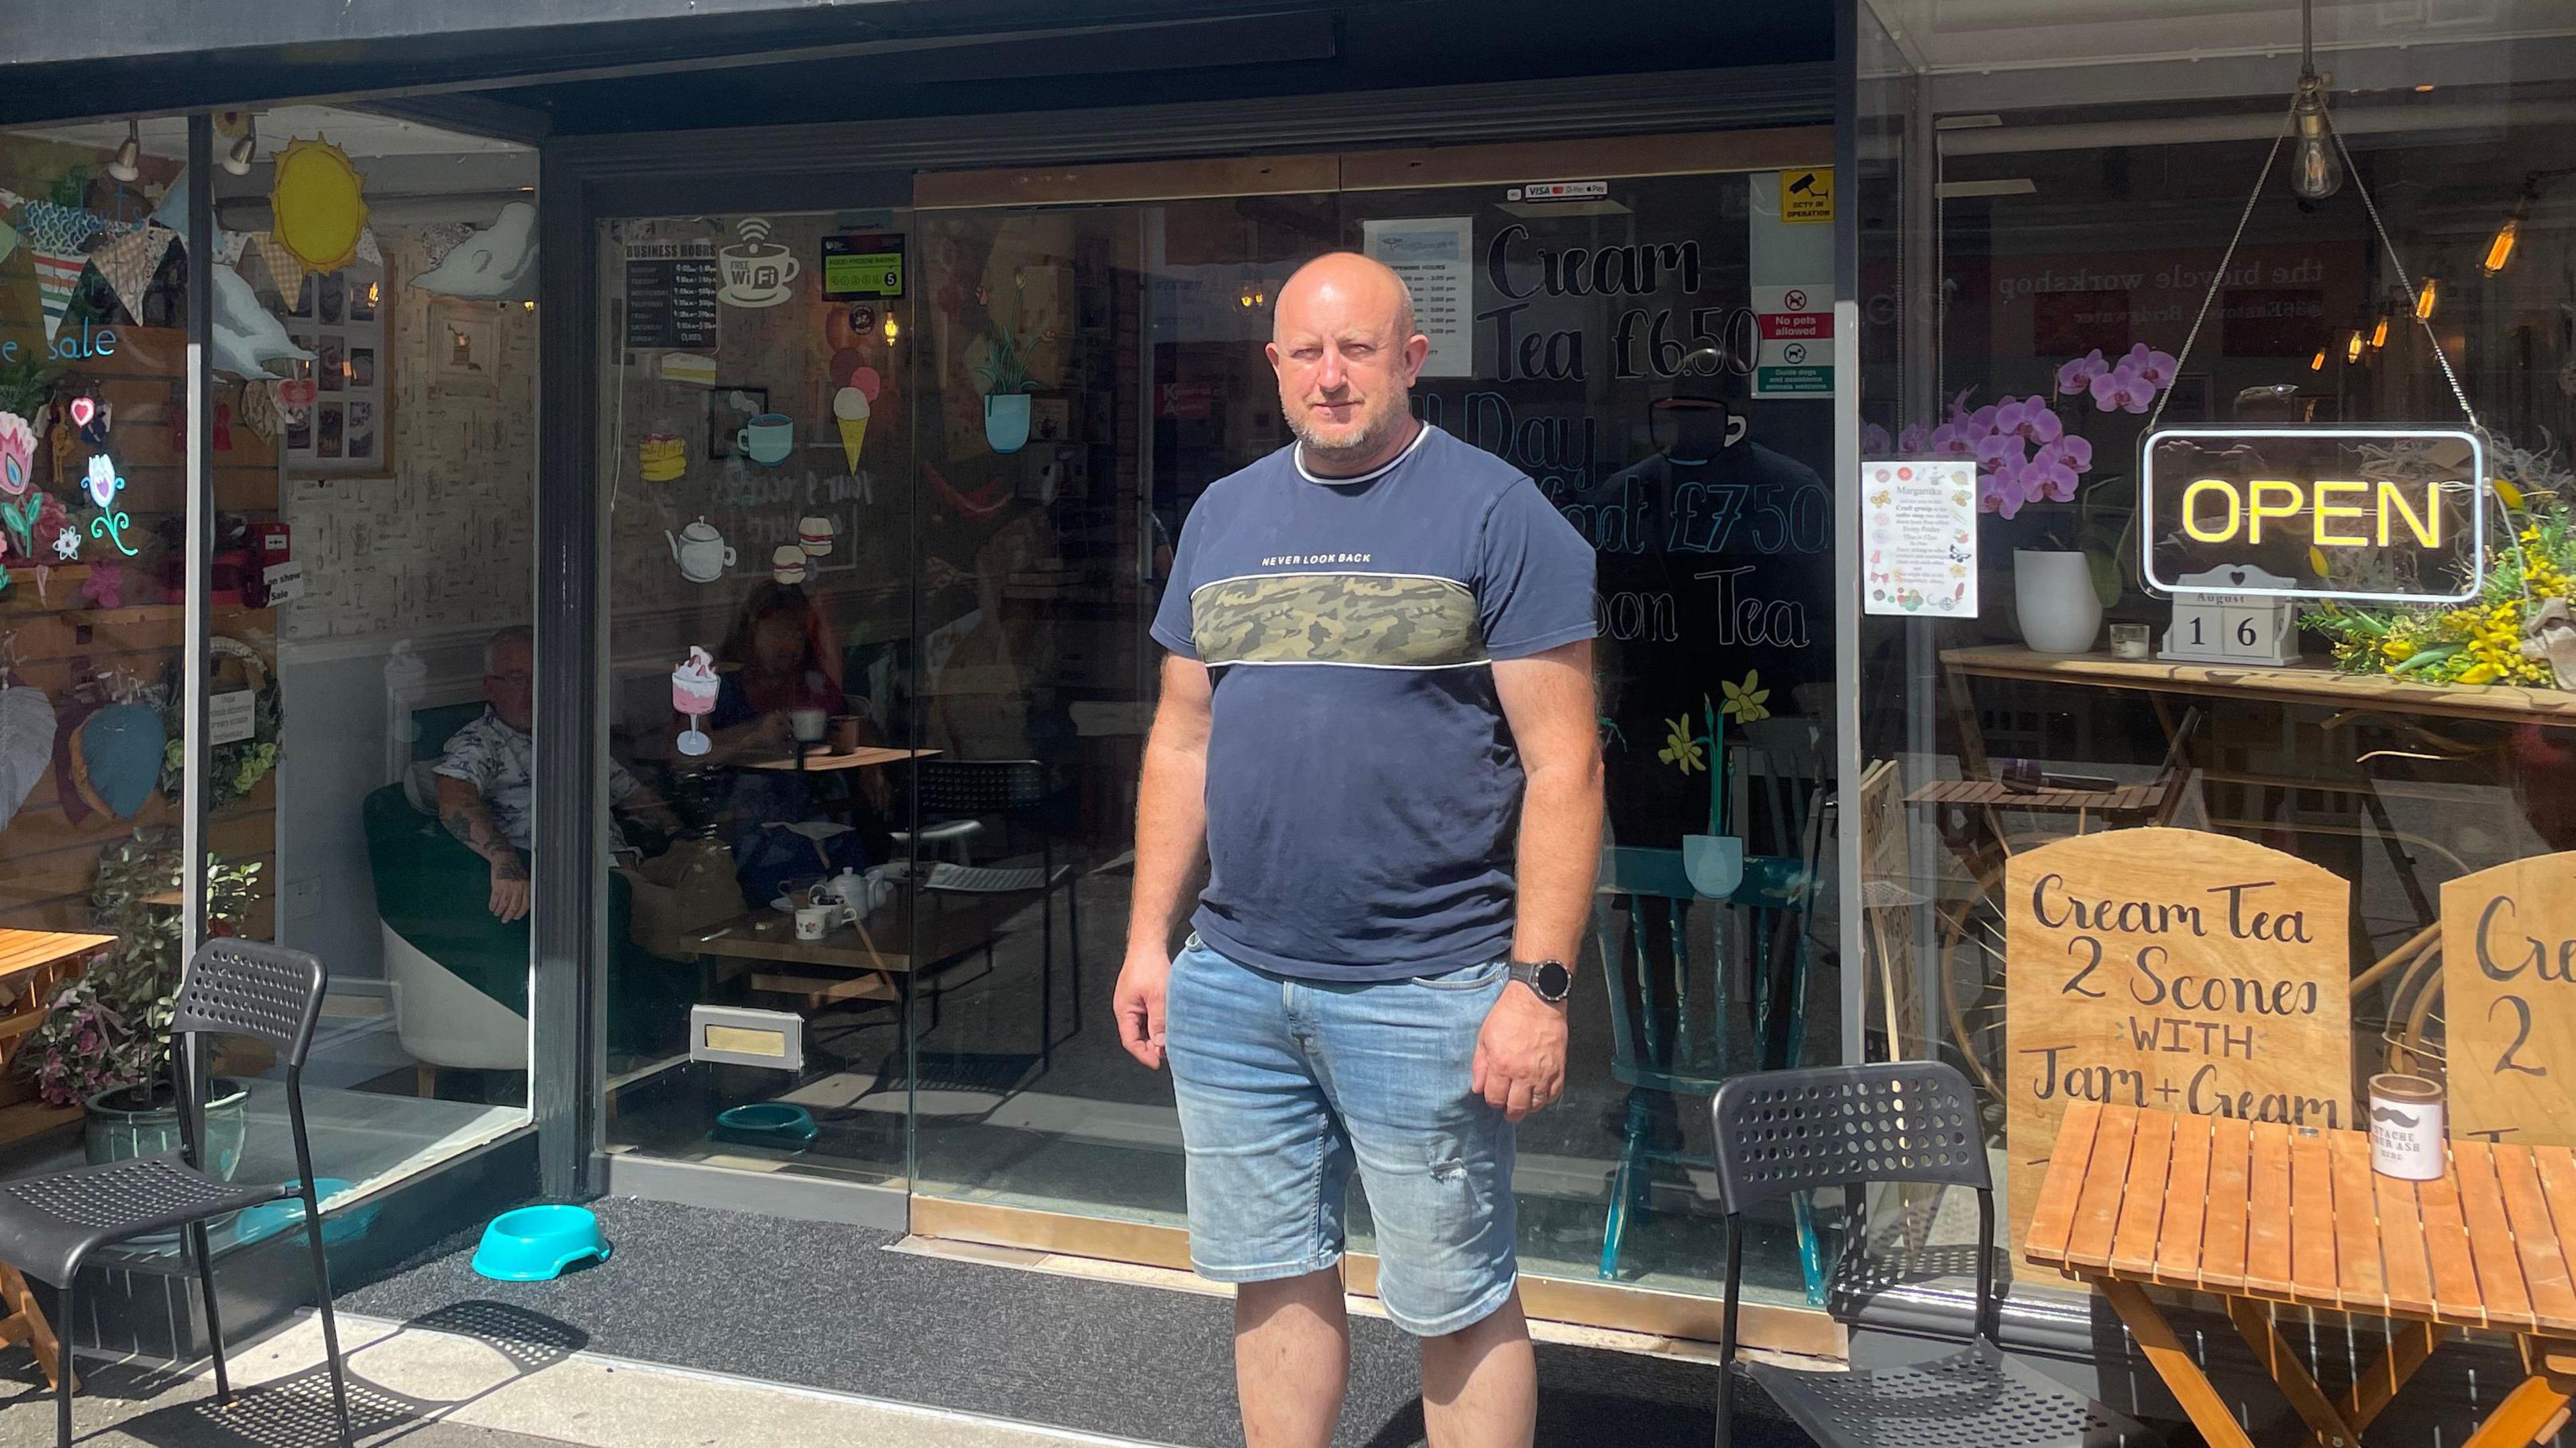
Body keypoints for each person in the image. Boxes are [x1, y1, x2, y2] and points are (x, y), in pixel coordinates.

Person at [1114, 252, 1601, 1448]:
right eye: (1308, 352)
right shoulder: (1224, 514)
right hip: (1234, 976)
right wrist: (1148, 940)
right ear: (1273, 363)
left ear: (1410, 358)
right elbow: (1182, 736)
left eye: (1359, 349)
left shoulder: (1495, 511)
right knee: (1270, 1269)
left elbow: (1566, 767)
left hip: (1428, 981)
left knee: (1456, 1295)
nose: (1332, 377)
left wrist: (1538, 988)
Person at [435, 625, 661, 922]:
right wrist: (504, 861)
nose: (533, 690)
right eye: (518, 679)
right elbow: (454, 801)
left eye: (541, 677)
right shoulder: (480, 742)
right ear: (490, 687)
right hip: (581, 883)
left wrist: (677, 830)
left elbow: (634, 796)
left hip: (630, 862)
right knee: (672, 914)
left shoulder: (570, 736)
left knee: (707, 866)